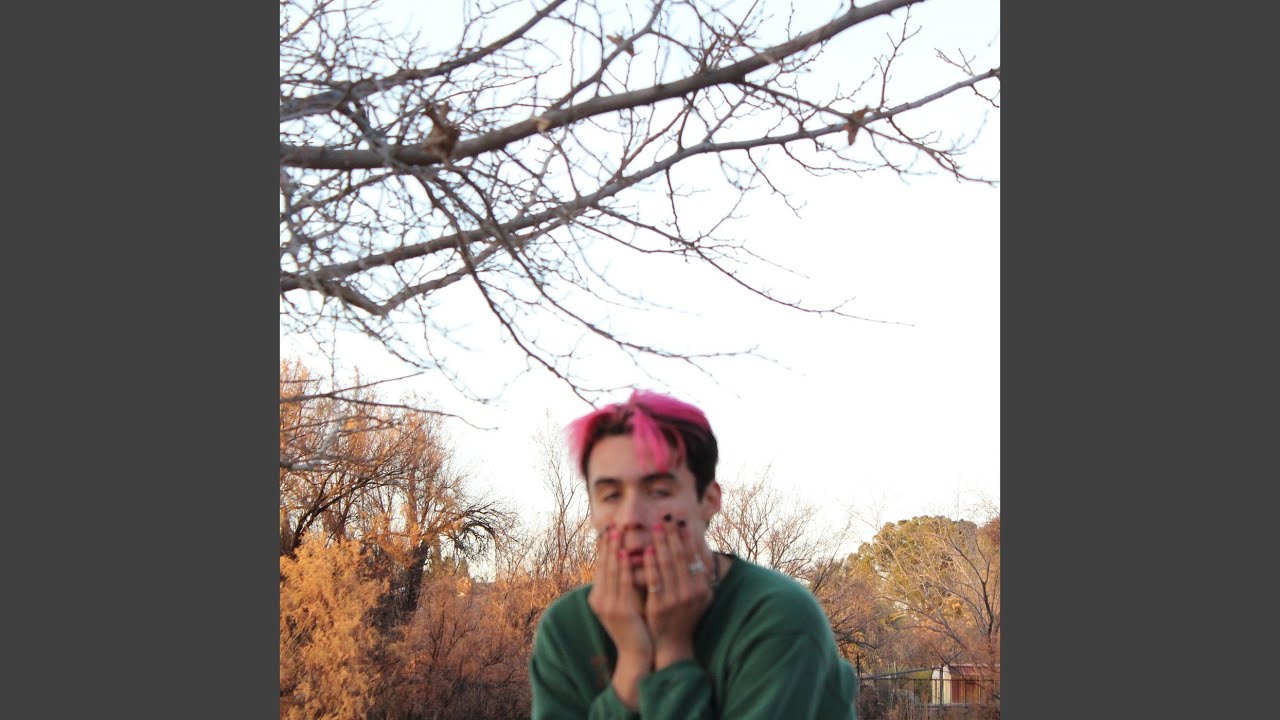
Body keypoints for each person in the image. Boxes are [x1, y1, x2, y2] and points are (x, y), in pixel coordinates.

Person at [529, 390, 858, 719]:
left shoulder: (778, 616)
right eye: (611, 496)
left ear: (709, 500)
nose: (630, 518)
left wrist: (673, 653)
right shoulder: (565, 629)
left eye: (659, 491)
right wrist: (631, 665)